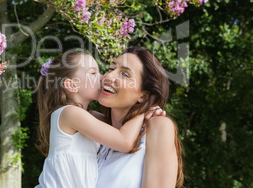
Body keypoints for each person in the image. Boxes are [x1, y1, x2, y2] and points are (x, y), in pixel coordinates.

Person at [35, 50, 163, 188]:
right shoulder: (69, 113)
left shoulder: (87, 115)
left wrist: (145, 106)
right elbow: (124, 141)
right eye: (93, 73)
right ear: (72, 85)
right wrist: (142, 108)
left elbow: (119, 127)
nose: (103, 77)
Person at [96, 46, 183, 188]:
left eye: (124, 74)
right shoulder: (96, 132)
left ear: (144, 95)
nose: (109, 76)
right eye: (112, 68)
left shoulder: (157, 126)